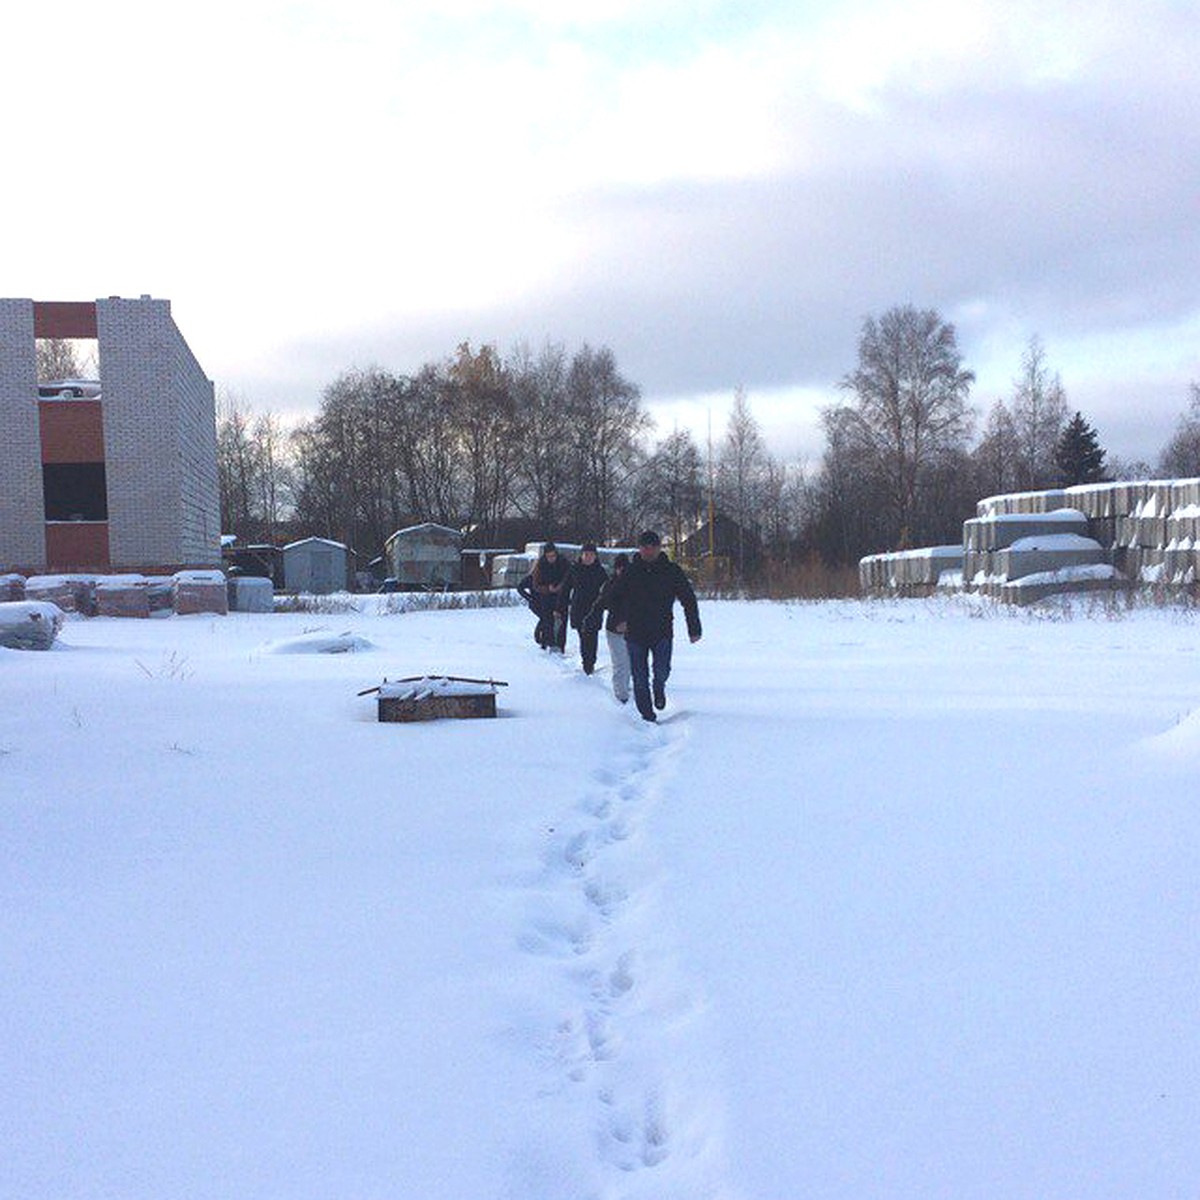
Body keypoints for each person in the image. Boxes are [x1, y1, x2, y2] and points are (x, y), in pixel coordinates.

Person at [605, 530, 701, 722]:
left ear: (659, 548)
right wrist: (620, 620)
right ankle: (647, 715)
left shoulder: (671, 571)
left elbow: (688, 599)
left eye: (652, 547)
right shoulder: (630, 572)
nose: (648, 550)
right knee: (640, 678)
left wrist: (694, 627)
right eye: (644, 547)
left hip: (662, 631)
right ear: (639, 549)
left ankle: (659, 688)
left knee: (662, 670)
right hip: (635, 632)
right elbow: (613, 597)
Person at [585, 552, 632, 703]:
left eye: (624, 568)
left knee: (631, 662)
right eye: (619, 568)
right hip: (614, 629)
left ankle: (626, 688)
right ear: (616, 569)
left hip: (634, 629)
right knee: (620, 663)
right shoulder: (610, 585)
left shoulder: (637, 585)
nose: (622, 571)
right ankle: (621, 696)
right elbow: (600, 604)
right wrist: (590, 619)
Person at [559, 542, 608, 674]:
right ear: (581, 555)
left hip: (594, 609)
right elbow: (565, 589)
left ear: (595, 556)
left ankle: (590, 662)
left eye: (591, 555)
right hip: (579, 609)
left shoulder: (600, 571)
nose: (588, 557)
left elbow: (608, 589)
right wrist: (560, 606)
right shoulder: (574, 569)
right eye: (586, 554)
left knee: (592, 637)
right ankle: (587, 662)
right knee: (583, 636)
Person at [516, 541, 569, 650]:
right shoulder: (539, 567)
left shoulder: (563, 563)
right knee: (547, 621)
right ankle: (546, 643)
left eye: (553, 556)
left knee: (561, 622)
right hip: (543, 599)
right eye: (548, 556)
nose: (551, 558)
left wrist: (560, 587)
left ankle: (559, 646)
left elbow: (568, 578)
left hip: (560, 597)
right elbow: (531, 586)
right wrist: (534, 597)